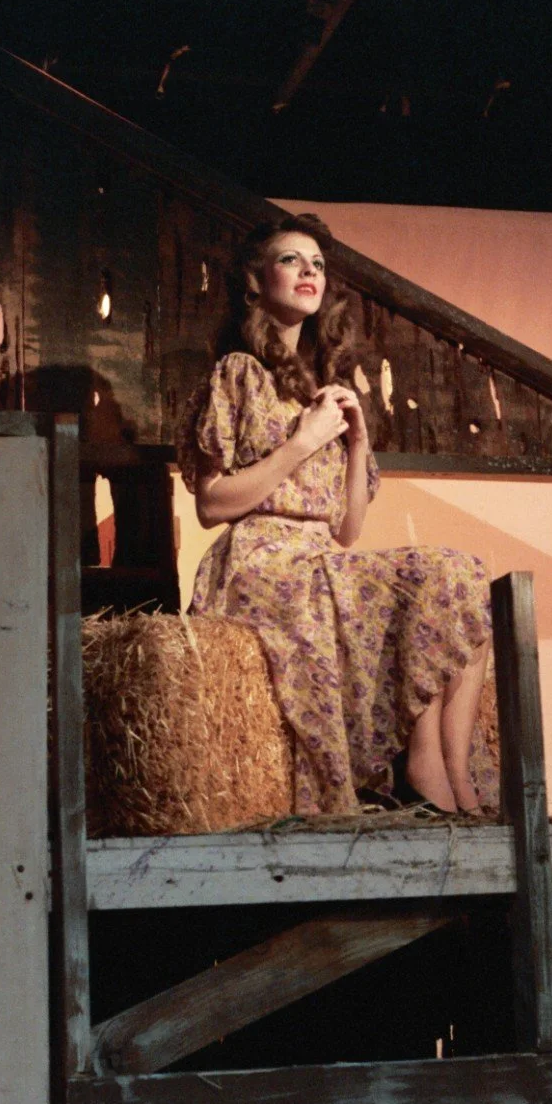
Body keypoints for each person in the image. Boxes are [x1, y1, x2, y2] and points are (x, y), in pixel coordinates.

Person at [177, 212, 492, 816]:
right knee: (416, 585)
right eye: (292, 260)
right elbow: (212, 505)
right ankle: (424, 767)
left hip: (319, 554)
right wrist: (303, 439)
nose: (308, 272)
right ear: (255, 279)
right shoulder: (239, 373)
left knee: (461, 577)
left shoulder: (327, 383)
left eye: (317, 264)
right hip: (261, 563)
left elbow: (347, 532)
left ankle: (458, 777)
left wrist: (356, 442)